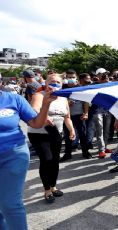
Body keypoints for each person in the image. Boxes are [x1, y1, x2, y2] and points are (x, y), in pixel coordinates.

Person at [0, 88, 56, 229]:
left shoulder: (14, 99)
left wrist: (46, 105)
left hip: (13, 154)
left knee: (10, 203)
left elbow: (37, 124)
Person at [28, 74, 76, 203]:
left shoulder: (63, 98)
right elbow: (34, 109)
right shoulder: (39, 95)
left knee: (55, 161)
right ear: (46, 83)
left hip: (56, 133)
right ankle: (47, 190)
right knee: (47, 159)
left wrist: (71, 129)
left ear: (62, 84)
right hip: (39, 133)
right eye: (52, 81)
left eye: (57, 82)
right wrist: (43, 115)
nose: (55, 84)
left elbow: (67, 117)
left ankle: (53, 186)